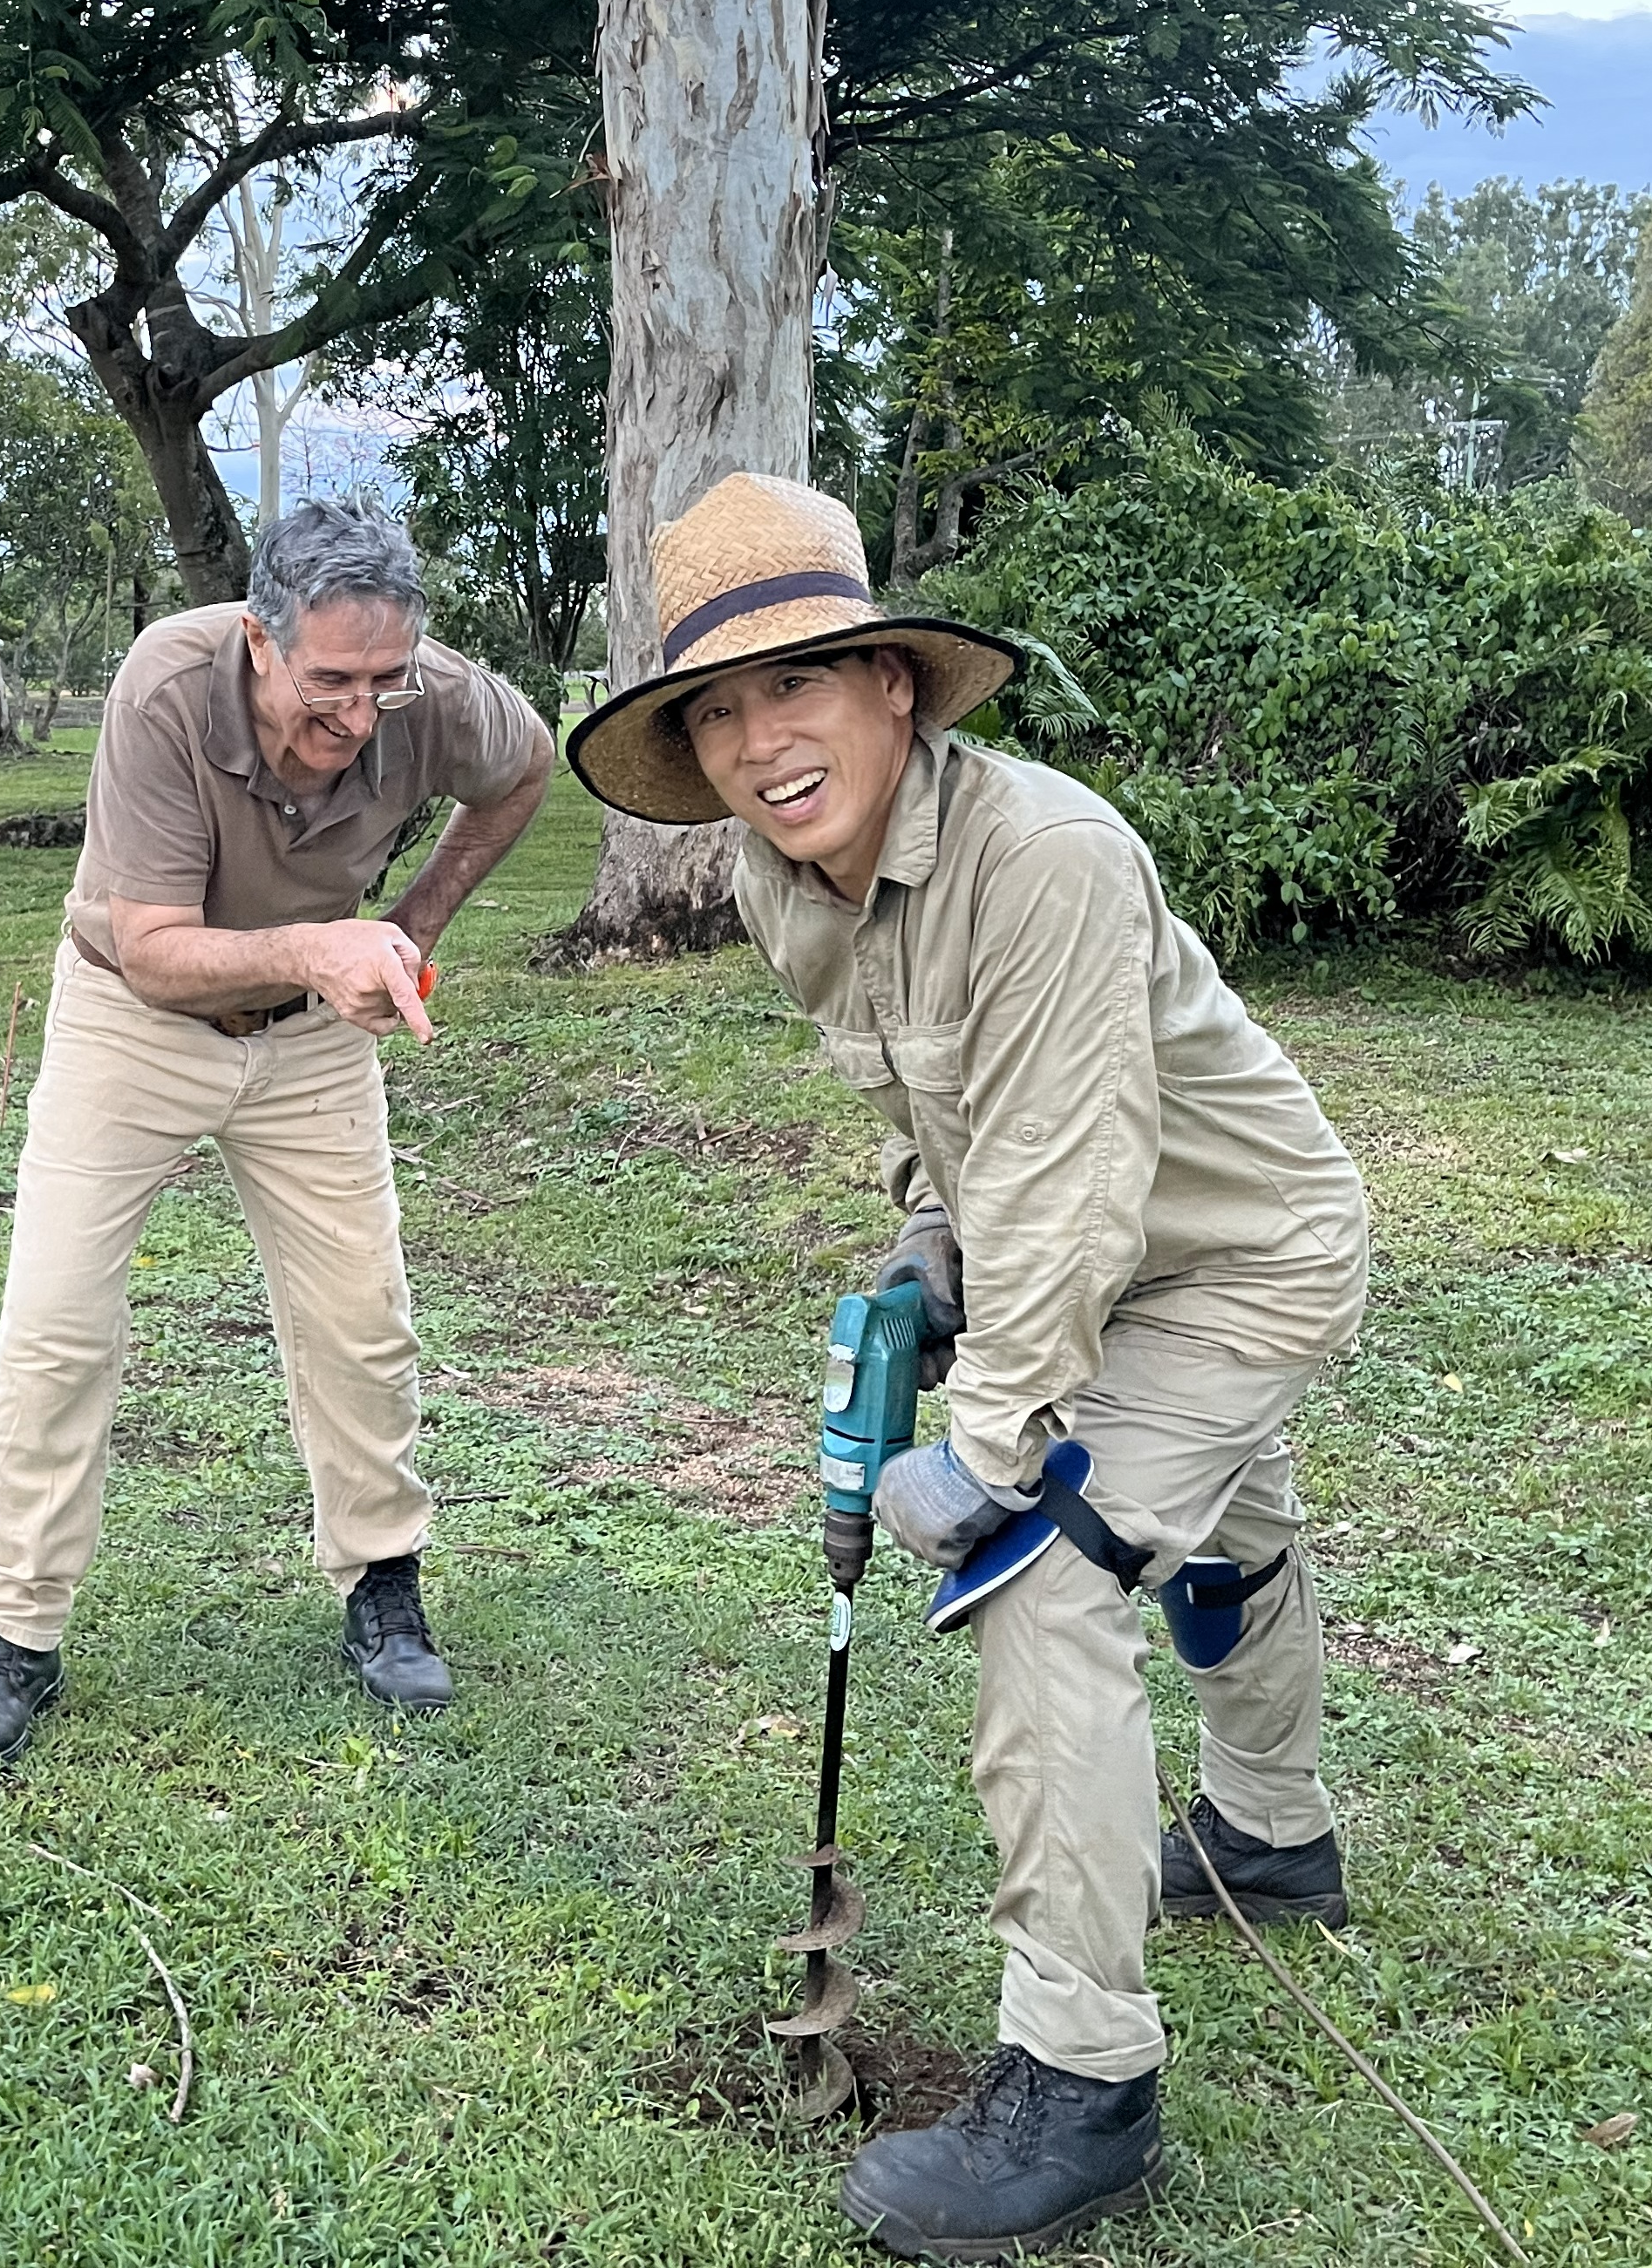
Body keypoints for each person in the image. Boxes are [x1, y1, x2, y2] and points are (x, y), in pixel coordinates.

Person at [563, 473, 1370, 2261]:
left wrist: (996, 1447)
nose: (760, 741)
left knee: (1043, 1575)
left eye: (799, 688)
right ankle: (1274, 1837)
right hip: (1090, 1255)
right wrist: (930, 1235)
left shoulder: (1055, 861)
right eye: (717, 709)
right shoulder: (789, 891)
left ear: (897, 692)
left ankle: (1082, 2087)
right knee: (1228, 1537)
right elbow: (943, 1112)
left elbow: (1079, 1186)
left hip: (1241, 1259)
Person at [0, 504, 557, 1776]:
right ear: (261, 641)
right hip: (133, 1020)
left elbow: (526, 767)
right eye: (332, 679)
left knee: (360, 1317)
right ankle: (13, 1633)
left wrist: (416, 922)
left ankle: (383, 1586)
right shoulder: (167, 686)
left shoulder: (431, 695)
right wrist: (320, 945)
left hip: (315, 1035)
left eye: (388, 678)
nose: (363, 713)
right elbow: (154, 949)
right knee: (56, 1324)